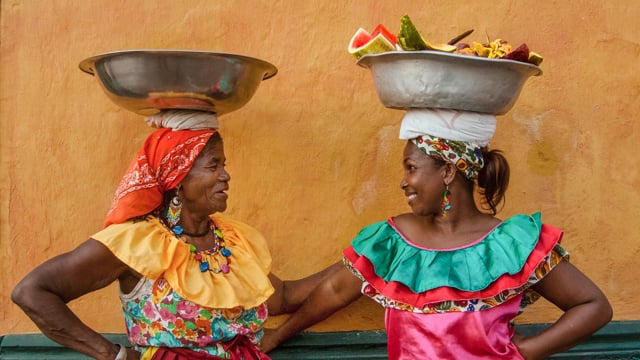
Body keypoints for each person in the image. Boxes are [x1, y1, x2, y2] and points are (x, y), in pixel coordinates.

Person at [260, 108, 613, 359]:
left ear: (447, 171)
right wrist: (277, 336)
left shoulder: (510, 244)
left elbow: (594, 306)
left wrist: (528, 350)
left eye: (411, 168)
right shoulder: (394, 240)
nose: (403, 181)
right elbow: (335, 291)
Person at [11, 111, 330, 360]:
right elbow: (32, 292)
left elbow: (282, 298)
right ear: (177, 180)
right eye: (213, 166)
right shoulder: (137, 243)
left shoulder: (230, 241)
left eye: (224, 165)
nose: (225, 175)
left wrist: (365, 257)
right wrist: (112, 354)